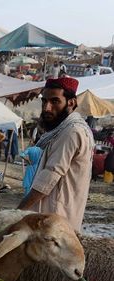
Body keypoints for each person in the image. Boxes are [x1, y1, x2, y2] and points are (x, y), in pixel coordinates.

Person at [18, 77, 93, 231]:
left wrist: (18, 212)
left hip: (54, 224)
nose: (47, 108)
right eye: (44, 101)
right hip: (53, 220)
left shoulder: (72, 131)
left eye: (55, 101)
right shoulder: (63, 130)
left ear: (71, 102)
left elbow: (50, 176)